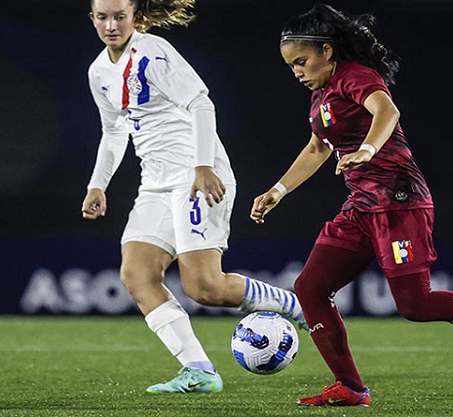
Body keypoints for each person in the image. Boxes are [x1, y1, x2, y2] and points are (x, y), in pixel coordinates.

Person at [250, 3, 453, 408]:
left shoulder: (356, 77)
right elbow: (316, 148)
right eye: (291, 67)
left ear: (327, 50)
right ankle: (351, 387)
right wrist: (278, 190)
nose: (297, 72)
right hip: (361, 207)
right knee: (311, 286)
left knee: (414, 305)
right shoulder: (321, 96)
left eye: (302, 62)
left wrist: (367, 148)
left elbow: (386, 110)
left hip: (399, 200)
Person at [82, 0, 308, 394]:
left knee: (206, 288)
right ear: (93, 19)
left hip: (195, 176)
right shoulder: (99, 71)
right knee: (136, 275)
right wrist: (97, 184)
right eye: (103, 16)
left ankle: (298, 305)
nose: (112, 24)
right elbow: (115, 131)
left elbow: (201, 102)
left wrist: (204, 166)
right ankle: (199, 370)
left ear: (135, 16)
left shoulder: (153, 52)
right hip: (154, 183)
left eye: (120, 16)